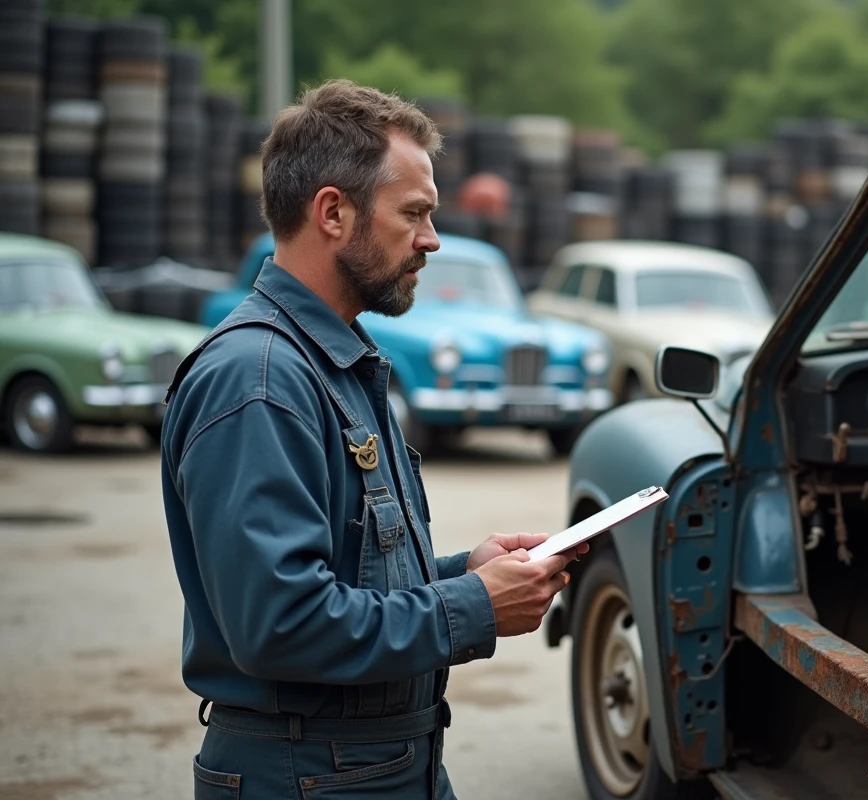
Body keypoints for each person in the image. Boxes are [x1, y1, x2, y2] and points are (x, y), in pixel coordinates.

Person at [159, 79, 585, 800]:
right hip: (309, 776)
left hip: (374, 767)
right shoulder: (260, 380)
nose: (432, 238)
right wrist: (475, 606)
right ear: (333, 212)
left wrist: (463, 571)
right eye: (414, 213)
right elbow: (282, 625)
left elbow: (348, 576)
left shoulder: (336, 361)